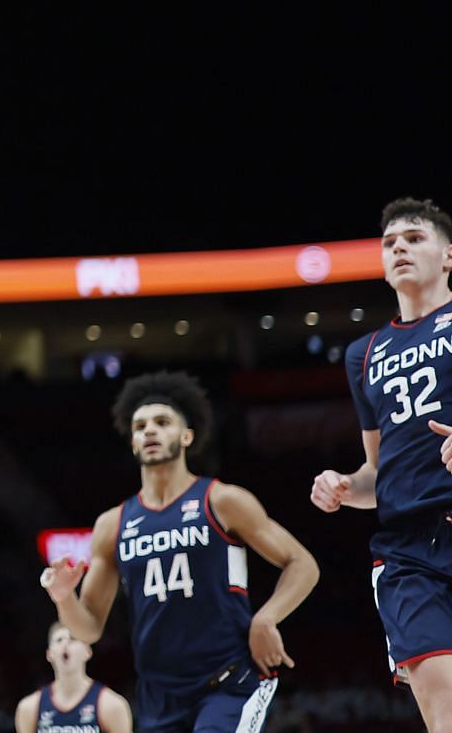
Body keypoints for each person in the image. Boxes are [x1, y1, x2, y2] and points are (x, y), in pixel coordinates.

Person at [44, 370, 317, 733]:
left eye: (162, 422)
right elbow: (90, 627)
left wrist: (265, 618)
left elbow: (303, 564)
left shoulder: (222, 500)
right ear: (132, 443)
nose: (150, 431)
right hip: (159, 695)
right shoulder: (113, 524)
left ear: (187, 436)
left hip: (228, 681)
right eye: (140, 426)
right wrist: (63, 597)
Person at [313, 196, 452, 727]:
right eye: (390, 242)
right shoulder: (364, 354)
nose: (399, 248)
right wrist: (346, 486)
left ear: (447, 255)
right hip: (408, 553)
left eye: (414, 238)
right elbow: (377, 472)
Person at [13, 624, 130, 733]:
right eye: (59, 640)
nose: (65, 644)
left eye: (72, 639)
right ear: (49, 654)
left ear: (87, 652)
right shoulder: (29, 708)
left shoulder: (112, 705)